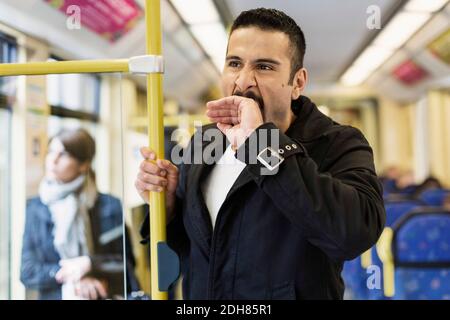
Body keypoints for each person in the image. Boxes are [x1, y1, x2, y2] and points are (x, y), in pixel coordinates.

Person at [135, 8, 385, 299]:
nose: (243, 81)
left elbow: (354, 234)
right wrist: (167, 209)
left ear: (298, 83)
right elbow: (194, 247)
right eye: (234, 63)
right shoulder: (205, 141)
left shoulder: (338, 143)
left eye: (264, 67)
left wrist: (260, 143)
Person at [21, 128, 139, 300]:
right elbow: (27, 271)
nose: (52, 160)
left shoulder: (109, 206)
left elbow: (126, 263)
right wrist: (73, 277)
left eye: (64, 154)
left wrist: (89, 264)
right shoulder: (36, 207)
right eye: (51, 152)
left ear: (83, 165)